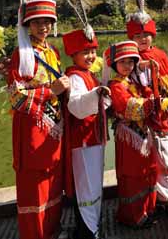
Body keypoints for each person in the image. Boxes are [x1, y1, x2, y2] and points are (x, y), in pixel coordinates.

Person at [7, 0, 70, 239]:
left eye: (47, 22)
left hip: (53, 128)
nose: (43, 27)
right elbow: (16, 97)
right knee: (35, 184)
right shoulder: (20, 55)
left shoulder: (52, 51)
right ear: (28, 25)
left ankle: (52, 230)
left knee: (53, 180)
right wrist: (50, 91)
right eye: (37, 23)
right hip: (32, 129)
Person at [126, 0, 168, 205]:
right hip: (138, 119)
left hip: (161, 116)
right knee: (144, 162)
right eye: (138, 35)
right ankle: (150, 202)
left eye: (147, 34)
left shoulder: (160, 55)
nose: (144, 39)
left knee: (165, 159)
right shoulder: (125, 57)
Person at [103, 40, 158, 228]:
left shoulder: (132, 81)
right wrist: (152, 101)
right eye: (123, 62)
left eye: (131, 62)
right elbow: (132, 109)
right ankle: (132, 216)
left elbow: (147, 95)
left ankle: (147, 209)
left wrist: (149, 96)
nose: (128, 66)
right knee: (132, 175)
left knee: (146, 172)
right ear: (114, 64)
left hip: (141, 135)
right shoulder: (116, 85)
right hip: (128, 137)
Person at [62, 27, 111, 239]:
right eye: (85, 52)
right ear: (73, 55)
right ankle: (88, 230)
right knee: (86, 186)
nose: (91, 56)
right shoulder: (74, 77)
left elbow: (102, 102)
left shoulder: (87, 75)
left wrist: (101, 93)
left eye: (93, 51)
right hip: (82, 140)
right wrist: (97, 93)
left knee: (93, 184)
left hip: (93, 138)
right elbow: (76, 107)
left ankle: (91, 225)